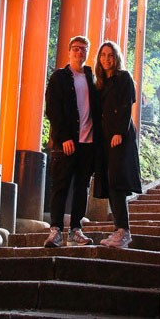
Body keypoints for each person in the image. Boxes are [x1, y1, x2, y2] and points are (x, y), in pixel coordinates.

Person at [44, 35, 101, 247]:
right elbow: (52, 109)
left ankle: (76, 229)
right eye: (76, 49)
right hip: (66, 143)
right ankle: (56, 230)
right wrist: (65, 137)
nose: (79, 53)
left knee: (82, 187)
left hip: (88, 143)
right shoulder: (59, 77)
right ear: (69, 52)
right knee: (60, 186)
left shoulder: (90, 78)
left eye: (83, 49)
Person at [95, 40, 142, 248]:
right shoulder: (100, 82)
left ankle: (123, 230)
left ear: (116, 58)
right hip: (104, 139)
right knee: (109, 182)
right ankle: (118, 229)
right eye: (103, 55)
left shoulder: (123, 78)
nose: (106, 58)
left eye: (110, 55)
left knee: (117, 182)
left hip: (119, 136)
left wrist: (119, 132)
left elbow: (126, 105)